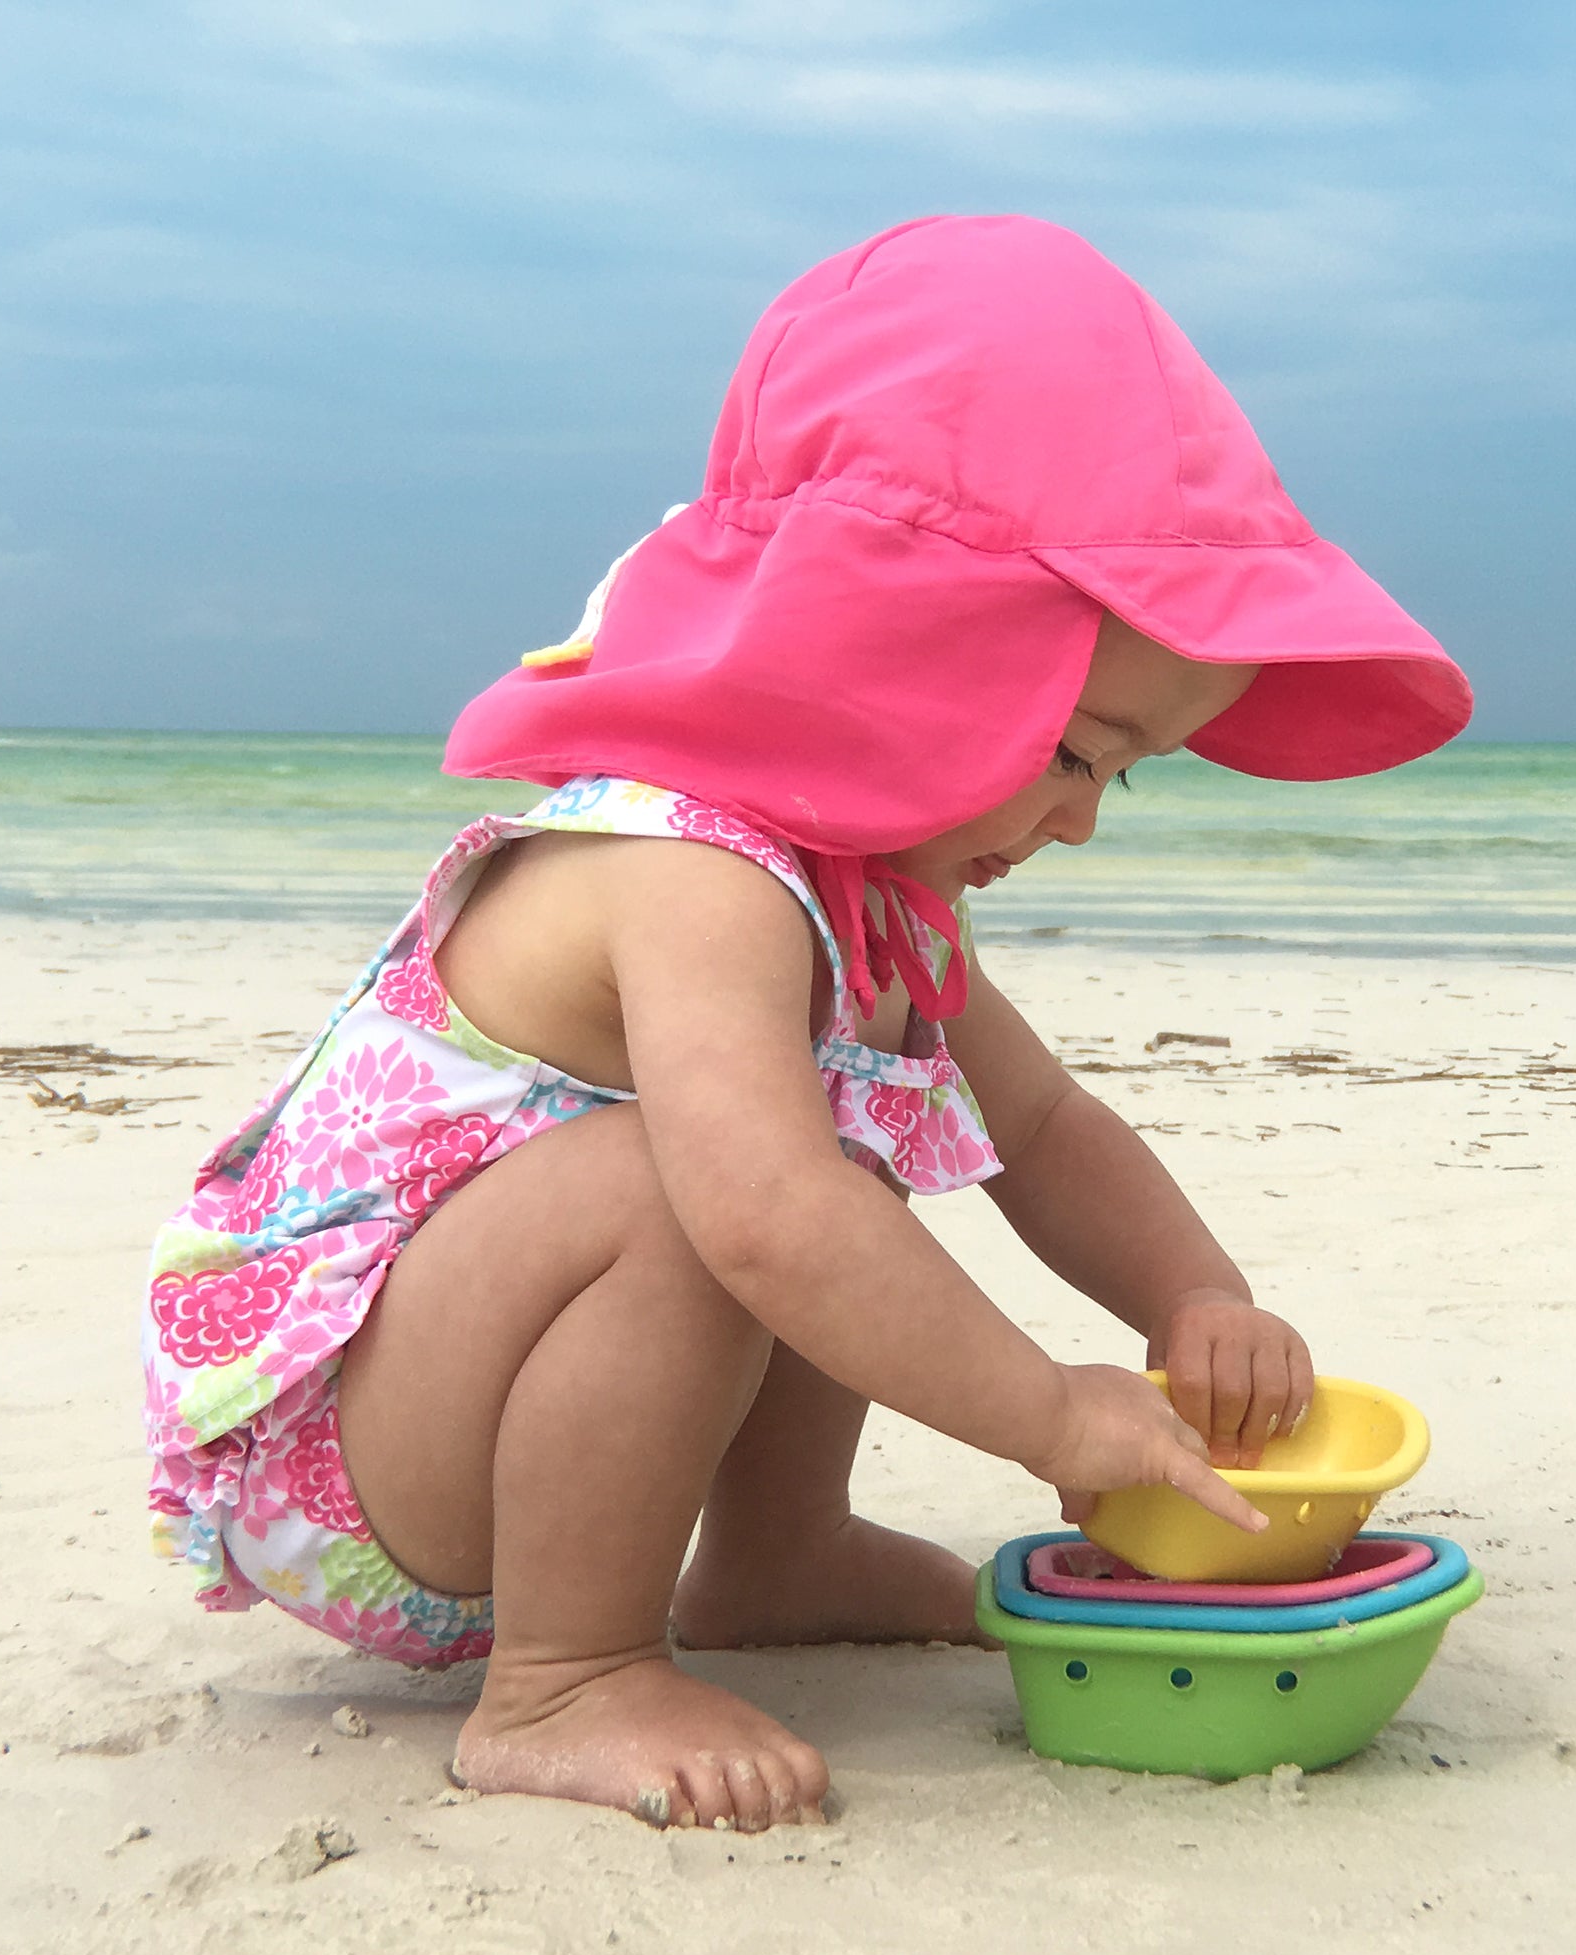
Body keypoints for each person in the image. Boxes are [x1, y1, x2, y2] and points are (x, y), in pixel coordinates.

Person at [141, 214, 1469, 1833]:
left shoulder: (882, 901)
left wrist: (1192, 1295)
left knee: (843, 1135)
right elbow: (763, 1220)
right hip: (359, 1447)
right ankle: (564, 1675)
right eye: (1069, 751)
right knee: (717, 1184)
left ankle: (776, 1553)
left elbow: (1044, 1130)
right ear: (888, 646)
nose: (1083, 821)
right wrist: (1046, 1413)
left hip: (491, 1411)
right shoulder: (688, 865)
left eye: (1121, 772)